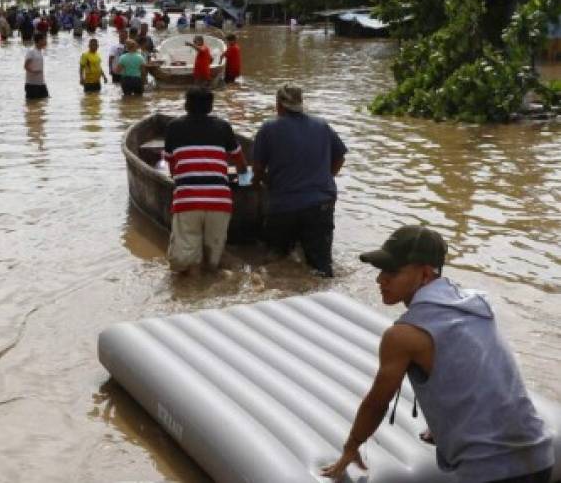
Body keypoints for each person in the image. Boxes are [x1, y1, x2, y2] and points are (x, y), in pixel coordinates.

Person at [322, 225, 555, 483]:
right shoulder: (477, 304)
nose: (380, 280)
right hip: (540, 454)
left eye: (392, 271)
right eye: (380, 271)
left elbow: (377, 403)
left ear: (424, 273)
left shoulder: (403, 336)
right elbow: (471, 371)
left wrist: (351, 447)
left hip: (490, 471)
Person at [252, 84, 347, 277]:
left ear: (279, 105)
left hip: (284, 206)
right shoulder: (322, 125)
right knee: (321, 266)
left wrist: (258, 185)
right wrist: (326, 178)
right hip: (321, 204)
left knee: (276, 262)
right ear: (300, 104)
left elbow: (258, 169)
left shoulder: (269, 128)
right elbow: (340, 157)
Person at [162, 87, 247, 274]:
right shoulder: (223, 127)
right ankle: (208, 287)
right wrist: (240, 176)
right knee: (212, 262)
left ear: (186, 105)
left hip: (187, 202)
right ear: (210, 106)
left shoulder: (174, 127)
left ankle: (192, 294)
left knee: (186, 263)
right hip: (220, 202)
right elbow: (241, 164)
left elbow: (173, 170)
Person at [24, 32, 49, 99]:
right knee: (32, 105)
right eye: (44, 40)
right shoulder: (31, 51)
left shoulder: (40, 51)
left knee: (45, 102)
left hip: (41, 83)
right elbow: (26, 66)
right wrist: (34, 72)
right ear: (40, 41)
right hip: (32, 85)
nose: (46, 41)